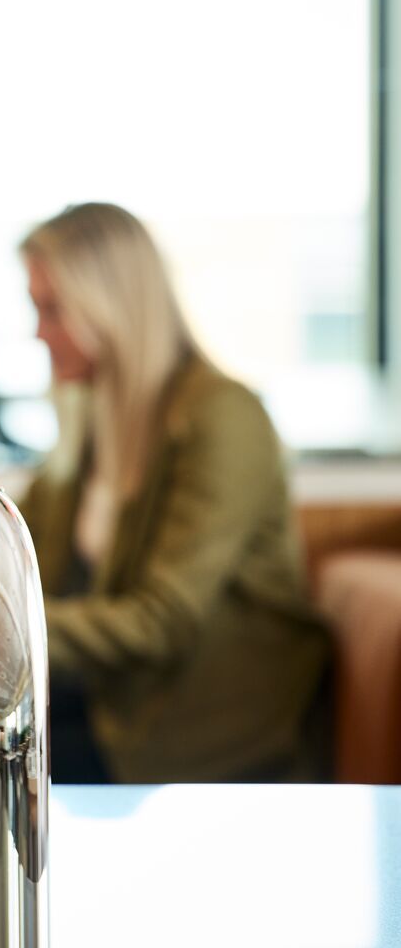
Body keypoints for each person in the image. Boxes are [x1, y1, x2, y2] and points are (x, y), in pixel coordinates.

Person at [19, 202, 329, 783]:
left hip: (189, 738)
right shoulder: (90, 423)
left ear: (108, 306)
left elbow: (162, 622)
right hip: (110, 712)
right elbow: (17, 559)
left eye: (52, 309)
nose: (38, 332)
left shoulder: (223, 418)